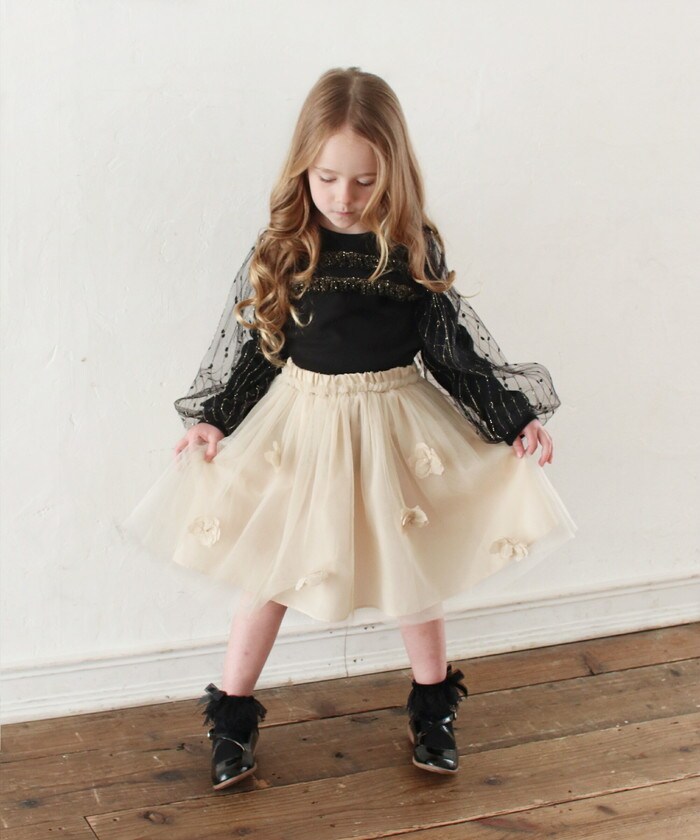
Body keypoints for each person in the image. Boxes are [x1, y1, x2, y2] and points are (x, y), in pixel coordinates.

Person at [120, 66, 577, 790]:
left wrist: (511, 418)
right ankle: (232, 718)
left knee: (412, 568)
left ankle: (433, 710)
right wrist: (215, 419)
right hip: (303, 429)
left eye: (364, 181)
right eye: (327, 178)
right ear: (303, 169)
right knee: (269, 571)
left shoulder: (411, 245)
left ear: (393, 173)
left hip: (396, 426)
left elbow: (451, 351)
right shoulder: (287, 247)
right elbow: (260, 350)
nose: (343, 197)